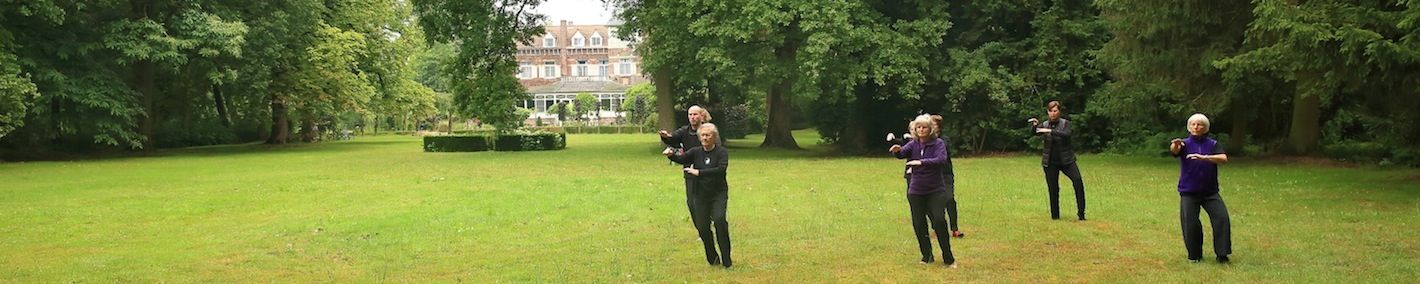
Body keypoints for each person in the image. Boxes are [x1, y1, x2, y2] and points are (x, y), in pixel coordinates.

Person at [890, 115, 957, 268]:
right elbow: (902, 154)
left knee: (939, 221)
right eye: (918, 127)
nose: (921, 130)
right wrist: (896, 151)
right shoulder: (914, 144)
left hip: (935, 189)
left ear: (930, 129)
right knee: (919, 223)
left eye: (924, 127)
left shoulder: (938, 143)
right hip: (916, 190)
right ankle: (926, 256)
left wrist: (921, 162)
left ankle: (948, 257)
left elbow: (941, 160)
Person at [665, 123, 733, 268]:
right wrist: (671, 156)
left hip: (718, 193)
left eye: (708, 135)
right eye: (702, 135)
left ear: (714, 137)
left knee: (720, 220)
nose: (705, 138)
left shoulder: (721, 152)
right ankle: (713, 259)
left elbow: (721, 170)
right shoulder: (696, 152)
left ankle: (727, 261)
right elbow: (682, 159)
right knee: (702, 227)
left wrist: (699, 173)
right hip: (701, 195)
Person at [1170, 113, 1232, 263]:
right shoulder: (1184, 144)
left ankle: (1222, 255)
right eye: (1193, 125)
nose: (1196, 127)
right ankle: (1195, 256)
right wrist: (1176, 145)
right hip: (1189, 191)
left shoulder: (1212, 144)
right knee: (1190, 223)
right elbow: (1174, 151)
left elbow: (1223, 159)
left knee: (1222, 218)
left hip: (1210, 192)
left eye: (1199, 125)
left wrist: (1204, 157)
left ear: (1205, 128)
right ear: (1189, 127)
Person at [658, 105, 722, 227]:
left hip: (708, 171)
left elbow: (717, 149)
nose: (692, 117)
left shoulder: (708, 131)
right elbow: (673, 138)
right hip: (690, 172)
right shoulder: (684, 131)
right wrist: (666, 136)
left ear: (701, 116)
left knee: (709, 200)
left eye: (695, 114)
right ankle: (702, 229)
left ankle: (714, 219)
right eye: (690, 115)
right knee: (692, 203)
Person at [1029, 101, 1087, 220]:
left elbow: (1067, 134)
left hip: (1067, 160)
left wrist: (1051, 131)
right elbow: (1034, 133)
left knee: (1078, 181)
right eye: (1050, 111)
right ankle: (1055, 216)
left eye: (1055, 111)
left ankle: (1081, 214)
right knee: (1053, 188)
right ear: (1048, 112)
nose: (1053, 114)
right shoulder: (1044, 124)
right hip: (1050, 162)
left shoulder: (1065, 123)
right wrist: (1035, 125)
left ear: (1059, 111)